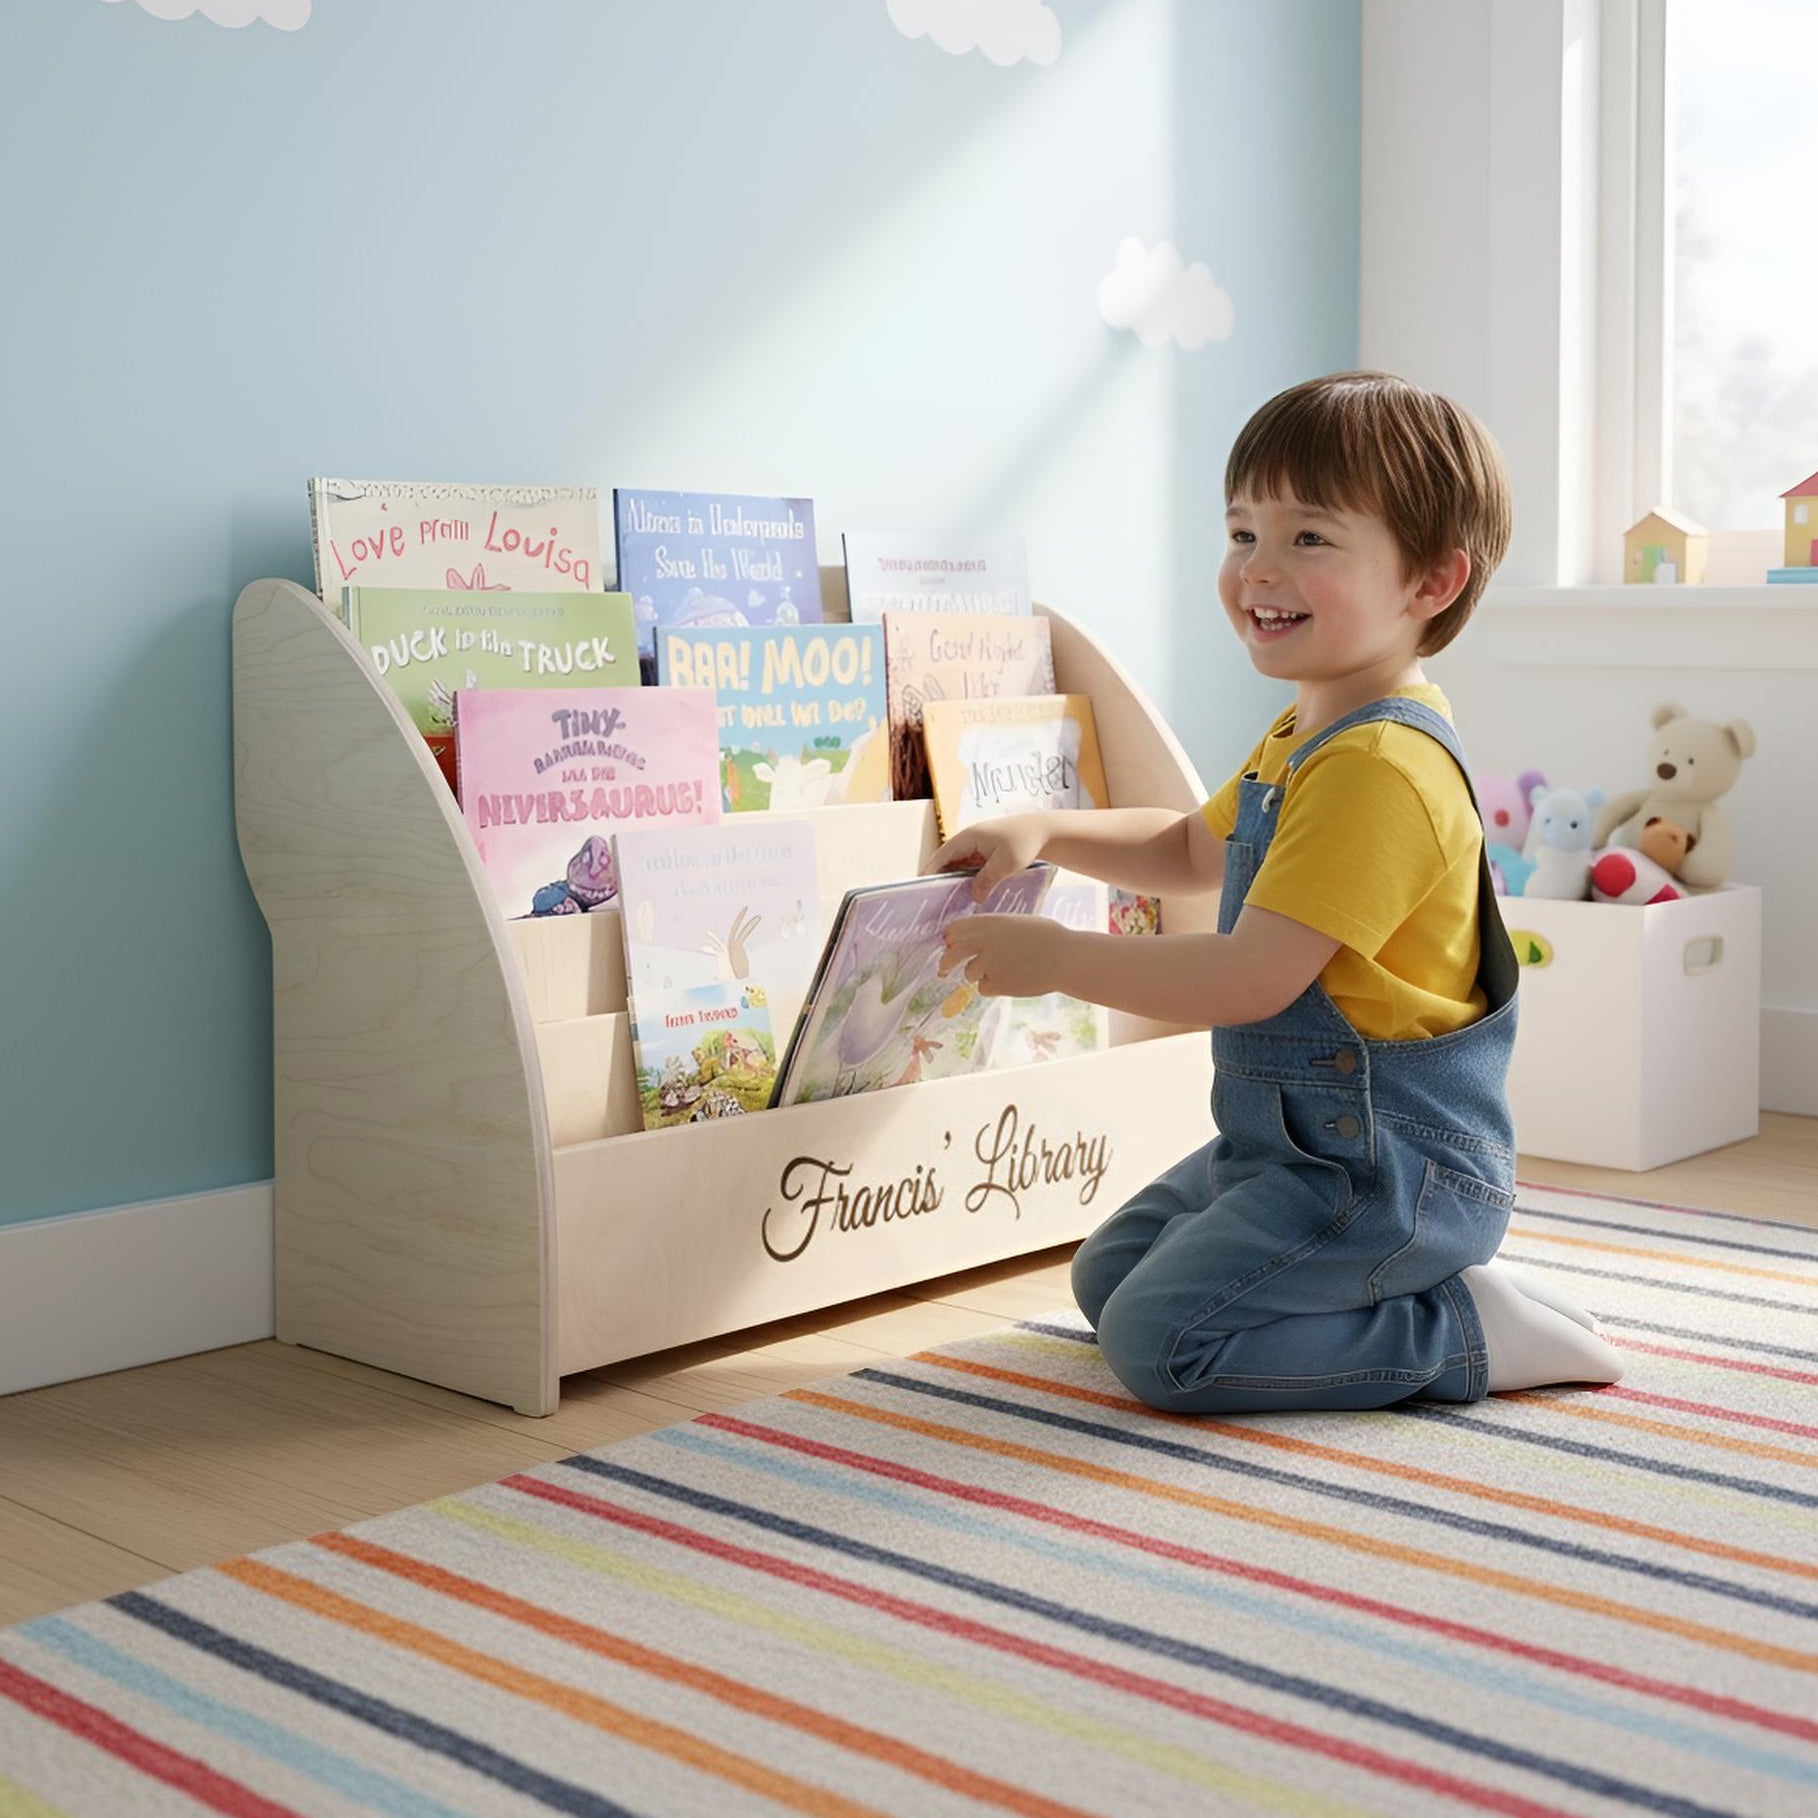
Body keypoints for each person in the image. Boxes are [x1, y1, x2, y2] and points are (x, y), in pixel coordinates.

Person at [930, 370, 1623, 1413]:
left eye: (1309, 538)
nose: (1258, 568)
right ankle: (1399, 1294)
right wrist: (1048, 831)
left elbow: (1250, 976)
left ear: (1431, 582)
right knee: (1106, 1280)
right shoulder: (1309, 731)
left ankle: (1461, 1332)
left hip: (1387, 1171)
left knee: (1165, 1346)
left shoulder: (1381, 767)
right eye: (1243, 531)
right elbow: (1187, 848)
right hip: (1285, 1145)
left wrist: (1059, 963)